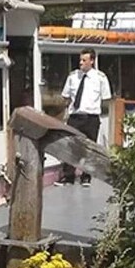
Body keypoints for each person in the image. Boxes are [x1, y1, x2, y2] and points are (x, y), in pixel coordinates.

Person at [58, 47, 112, 187]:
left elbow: (106, 98)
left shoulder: (100, 78)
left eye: (84, 60)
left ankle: (86, 176)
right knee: (70, 146)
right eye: (80, 60)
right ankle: (68, 176)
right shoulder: (73, 77)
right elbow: (66, 96)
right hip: (75, 116)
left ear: (92, 61)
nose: (81, 63)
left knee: (89, 148)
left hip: (91, 118)